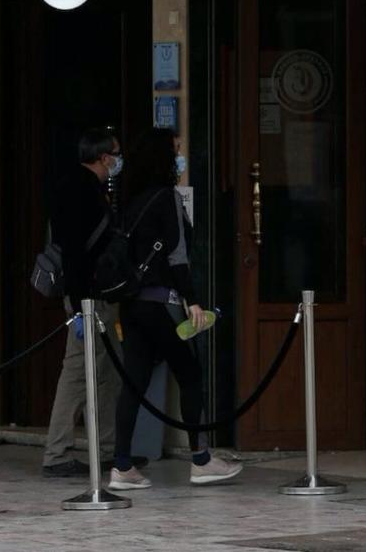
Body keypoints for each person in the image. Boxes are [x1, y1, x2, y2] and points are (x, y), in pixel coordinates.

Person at [107, 128, 242, 490]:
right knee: (190, 375)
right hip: (163, 304)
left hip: (131, 305)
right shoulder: (167, 198)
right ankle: (201, 459)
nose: (180, 157)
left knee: (133, 383)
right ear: (163, 158)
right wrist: (192, 298)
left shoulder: (128, 200)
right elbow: (178, 256)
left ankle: (121, 465)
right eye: (176, 151)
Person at [42, 129, 145, 477]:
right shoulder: (80, 190)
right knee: (76, 373)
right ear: (104, 158)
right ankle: (58, 453)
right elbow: (74, 251)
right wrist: (81, 303)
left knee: (105, 374)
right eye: (116, 153)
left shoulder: (82, 186)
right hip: (89, 299)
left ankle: (108, 449)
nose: (119, 159)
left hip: (93, 297)